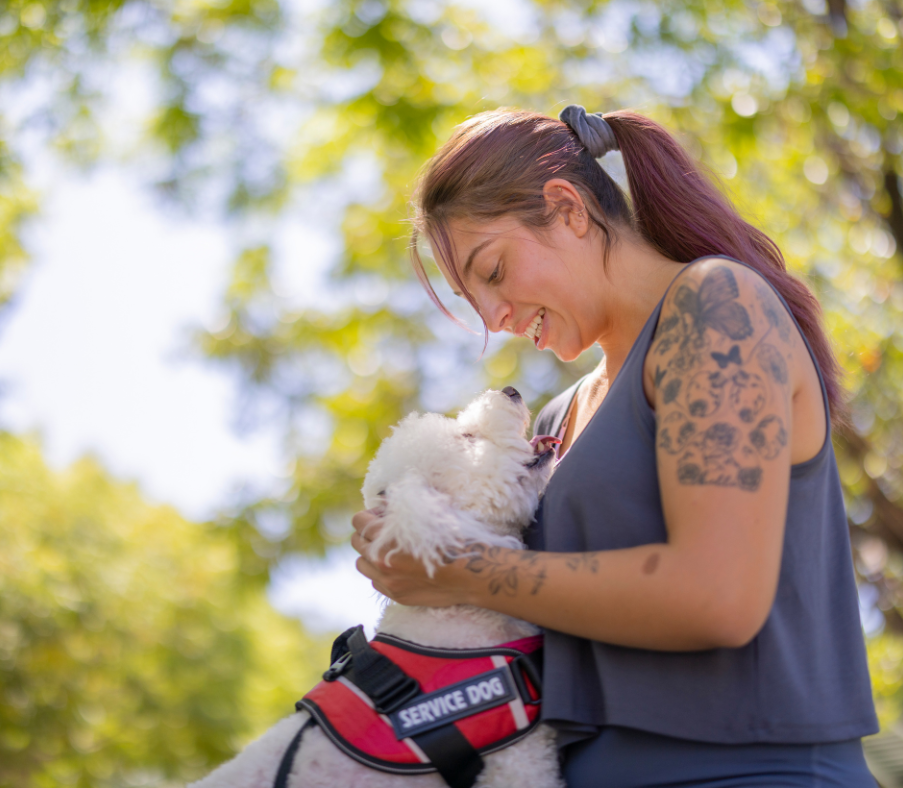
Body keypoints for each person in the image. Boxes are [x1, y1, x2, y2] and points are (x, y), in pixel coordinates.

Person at [350, 105, 879, 787]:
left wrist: (464, 569)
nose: (495, 319)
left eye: (495, 271)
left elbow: (717, 597)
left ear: (568, 209)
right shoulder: (559, 418)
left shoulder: (717, 309)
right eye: (471, 299)